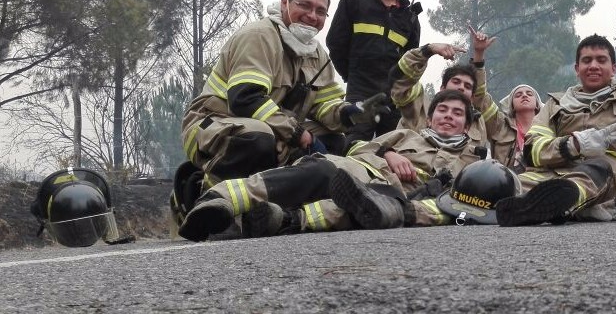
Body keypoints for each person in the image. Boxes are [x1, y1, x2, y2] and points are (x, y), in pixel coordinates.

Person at [175, 0, 386, 223]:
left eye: (320, 11)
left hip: (273, 126)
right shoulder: (259, 36)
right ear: (285, 3)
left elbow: (325, 106)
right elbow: (245, 98)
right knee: (258, 138)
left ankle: (272, 208)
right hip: (213, 123)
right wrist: (298, 134)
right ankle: (204, 195)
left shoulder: (317, 54)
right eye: (304, 6)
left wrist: (349, 113)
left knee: (333, 142)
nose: (312, 15)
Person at [177, 90, 485, 241]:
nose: (448, 116)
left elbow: (466, 201)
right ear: (430, 118)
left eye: (457, 113)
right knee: (321, 172)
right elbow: (360, 147)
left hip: (394, 198)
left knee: (349, 211)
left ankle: (249, 224)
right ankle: (220, 199)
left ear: (467, 124)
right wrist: (390, 154)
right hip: (366, 171)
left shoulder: (472, 162)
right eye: (441, 110)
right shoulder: (405, 134)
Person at [494, 34, 616, 226]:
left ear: (614, 68)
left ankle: (561, 201)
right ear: (577, 69)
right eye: (586, 60)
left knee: (598, 167)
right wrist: (575, 145)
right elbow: (532, 150)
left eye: (601, 60)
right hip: (546, 179)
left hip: (601, 180)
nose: (593, 65)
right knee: (496, 185)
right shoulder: (555, 104)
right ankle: (533, 207)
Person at [390, 24, 518, 168]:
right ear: (442, 88)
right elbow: (400, 80)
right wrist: (428, 49)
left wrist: (479, 54)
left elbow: (482, 98)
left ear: (471, 97)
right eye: (456, 82)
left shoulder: (478, 121)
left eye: (467, 86)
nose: (461, 87)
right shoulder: (420, 108)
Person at [326, 0, 421, 136]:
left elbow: (411, 60)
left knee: (394, 150)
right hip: (360, 92)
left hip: (394, 98)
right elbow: (335, 43)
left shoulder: (409, 16)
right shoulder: (353, 1)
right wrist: (352, 75)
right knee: (355, 146)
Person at [499, 83, 542, 173]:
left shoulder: (550, 127)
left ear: (537, 104)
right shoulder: (501, 127)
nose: (524, 95)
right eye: (518, 95)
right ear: (512, 106)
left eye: (529, 94)